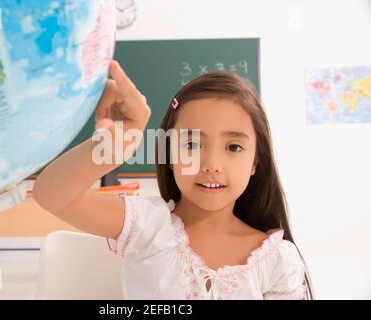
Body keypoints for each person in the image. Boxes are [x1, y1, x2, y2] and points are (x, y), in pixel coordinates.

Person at [33, 60, 313, 300]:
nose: (211, 165)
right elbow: (50, 195)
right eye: (191, 144)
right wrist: (105, 151)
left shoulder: (278, 259)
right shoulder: (148, 225)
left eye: (233, 147)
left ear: (255, 162)